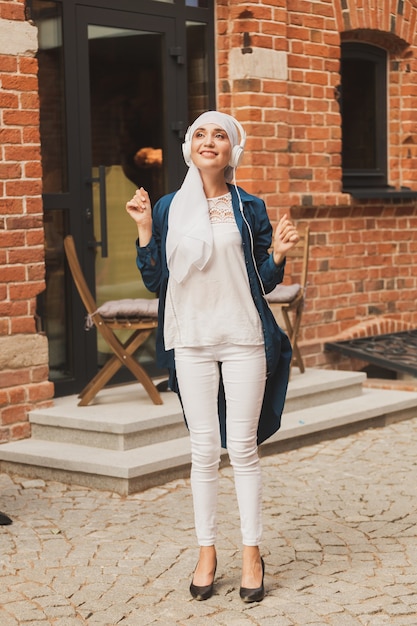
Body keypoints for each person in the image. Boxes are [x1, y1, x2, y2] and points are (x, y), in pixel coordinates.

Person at [126, 111, 299, 602]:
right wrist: (143, 231)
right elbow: (157, 283)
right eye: (199, 134)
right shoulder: (166, 208)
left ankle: (251, 553)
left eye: (219, 134)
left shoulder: (250, 207)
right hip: (191, 339)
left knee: (241, 449)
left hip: (243, 337)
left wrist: (280, 255)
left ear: (232, 150)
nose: (208, 141)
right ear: (188, 147)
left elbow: (261, 282)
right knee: (203, 451)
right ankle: (206, 551)